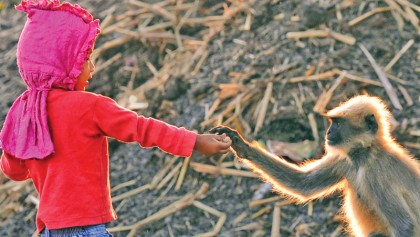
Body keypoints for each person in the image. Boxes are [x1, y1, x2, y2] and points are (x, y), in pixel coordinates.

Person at [0, 1, 231, 236]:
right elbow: (142, 128)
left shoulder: (24, 112)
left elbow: (14, 171)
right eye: (85, 58)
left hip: (49, 230)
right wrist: (194, 141)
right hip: (85, 230)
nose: (92, 67)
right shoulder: (89, 106)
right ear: (62, 62)